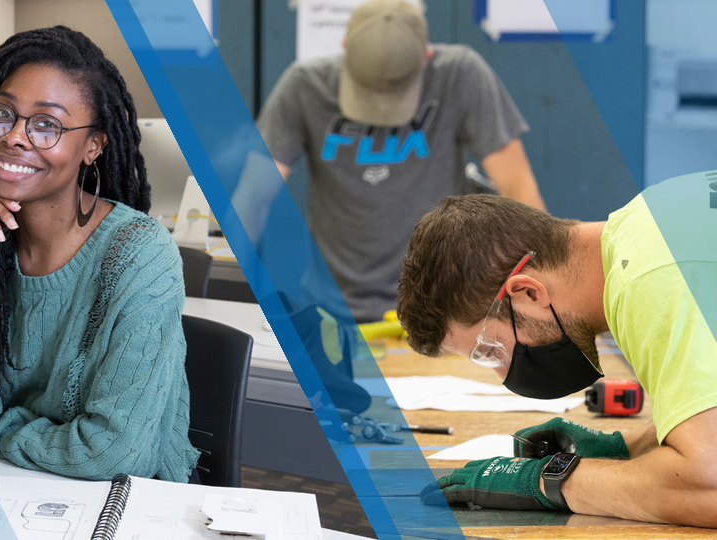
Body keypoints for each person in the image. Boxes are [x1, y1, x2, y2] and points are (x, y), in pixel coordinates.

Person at [0, 26, 200, 483]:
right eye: (3, 114)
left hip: (128, 508)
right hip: (8, 490)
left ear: (93, 146)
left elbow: (112, 455)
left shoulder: (140, 254)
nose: (15, 137)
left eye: (47, 124)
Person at [396, 172, 717, 526]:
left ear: (528, 293)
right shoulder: (656, 219)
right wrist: (624, 450)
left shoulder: (650, 277)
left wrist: (550, 481)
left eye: (491, 351)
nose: (504, 375)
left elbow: (708, 483)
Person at [256, 0, 546, 323]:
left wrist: (544, 301)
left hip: (438, 311)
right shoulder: (304, 86)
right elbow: (251, 199)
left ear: (427, 56)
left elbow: (519, 191)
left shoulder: (459, 75)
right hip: (332, 313)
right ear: (344, 49)